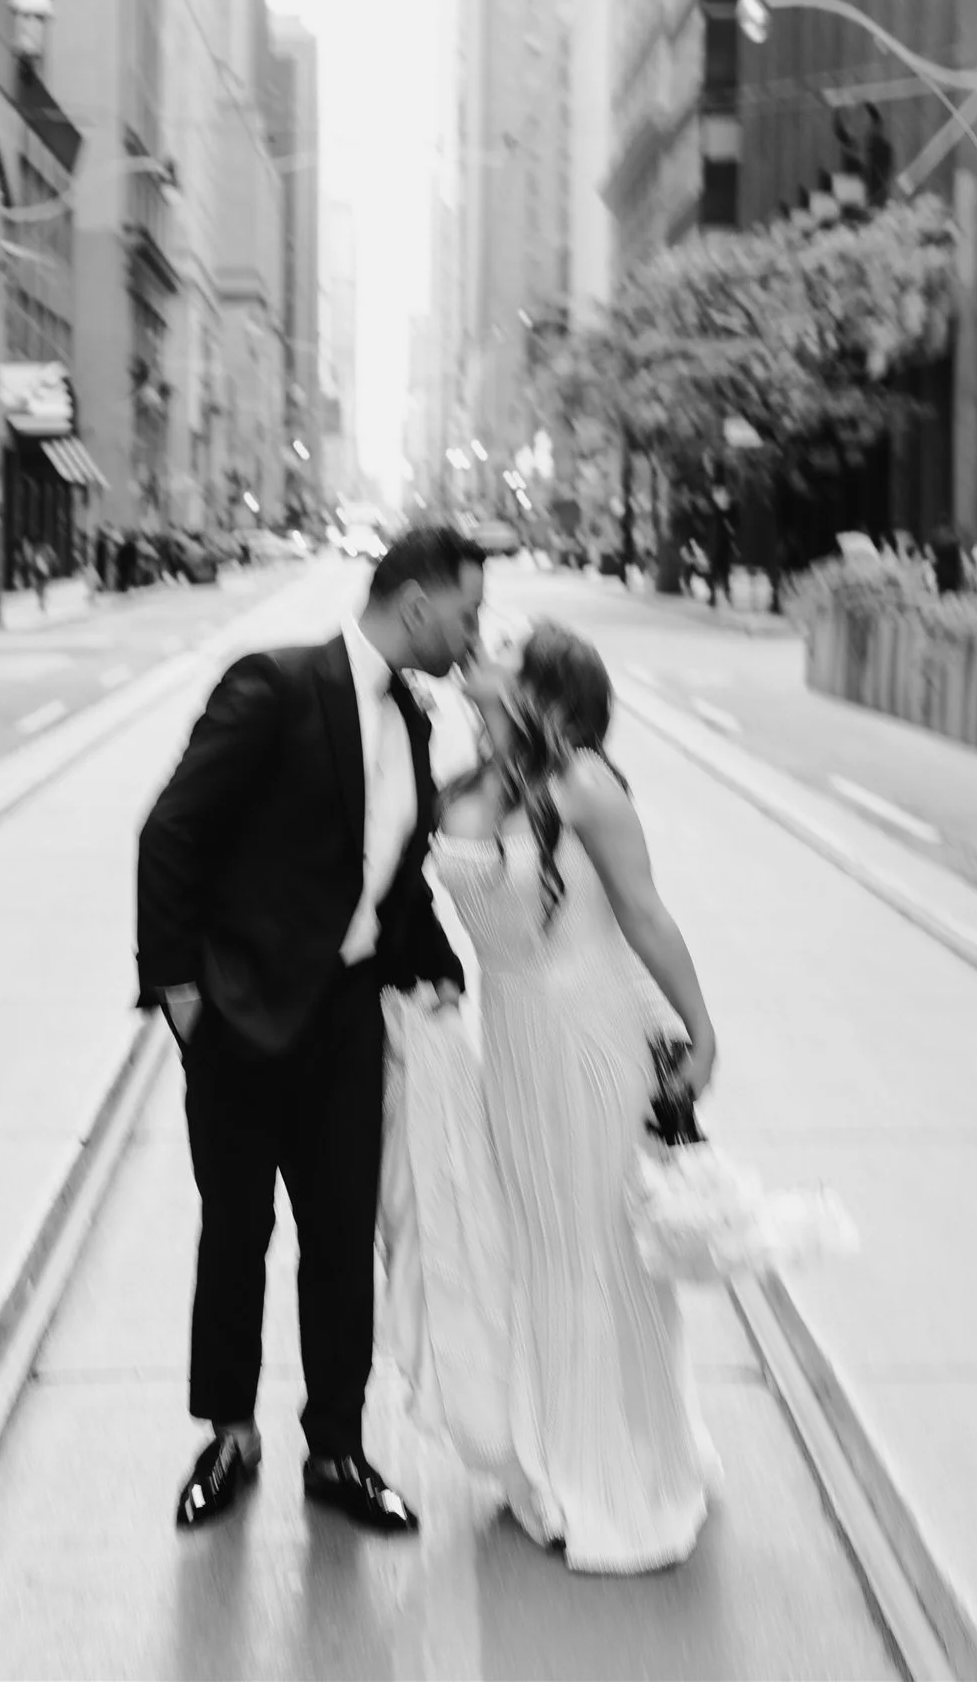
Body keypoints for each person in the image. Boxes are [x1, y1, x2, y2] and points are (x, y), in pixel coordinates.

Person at [136, 524, 486, 1537]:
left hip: (347, 1019)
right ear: (415, 603)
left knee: (340, 1241)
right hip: (240, 1024)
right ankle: (229, 1434)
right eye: (468, 612)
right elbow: (171, 832)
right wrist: (181, 996)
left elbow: (390, 867)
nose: (474, 634)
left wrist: (437, 975)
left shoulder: (417, 718)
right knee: (236, 1235)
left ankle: (337, 1446)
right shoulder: (277, 684)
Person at [383, 621, 722, 1572]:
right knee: (541, 1247)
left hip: (591, 1041)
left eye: (506, 647)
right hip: (518, 1047)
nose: (480, 647)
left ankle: (618, 1466)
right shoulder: (466, 779)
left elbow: (645, 915)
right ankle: (551, 1452)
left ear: (543, 691)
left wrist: (700, 1033)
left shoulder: (584, 783)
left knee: (598, 1251)